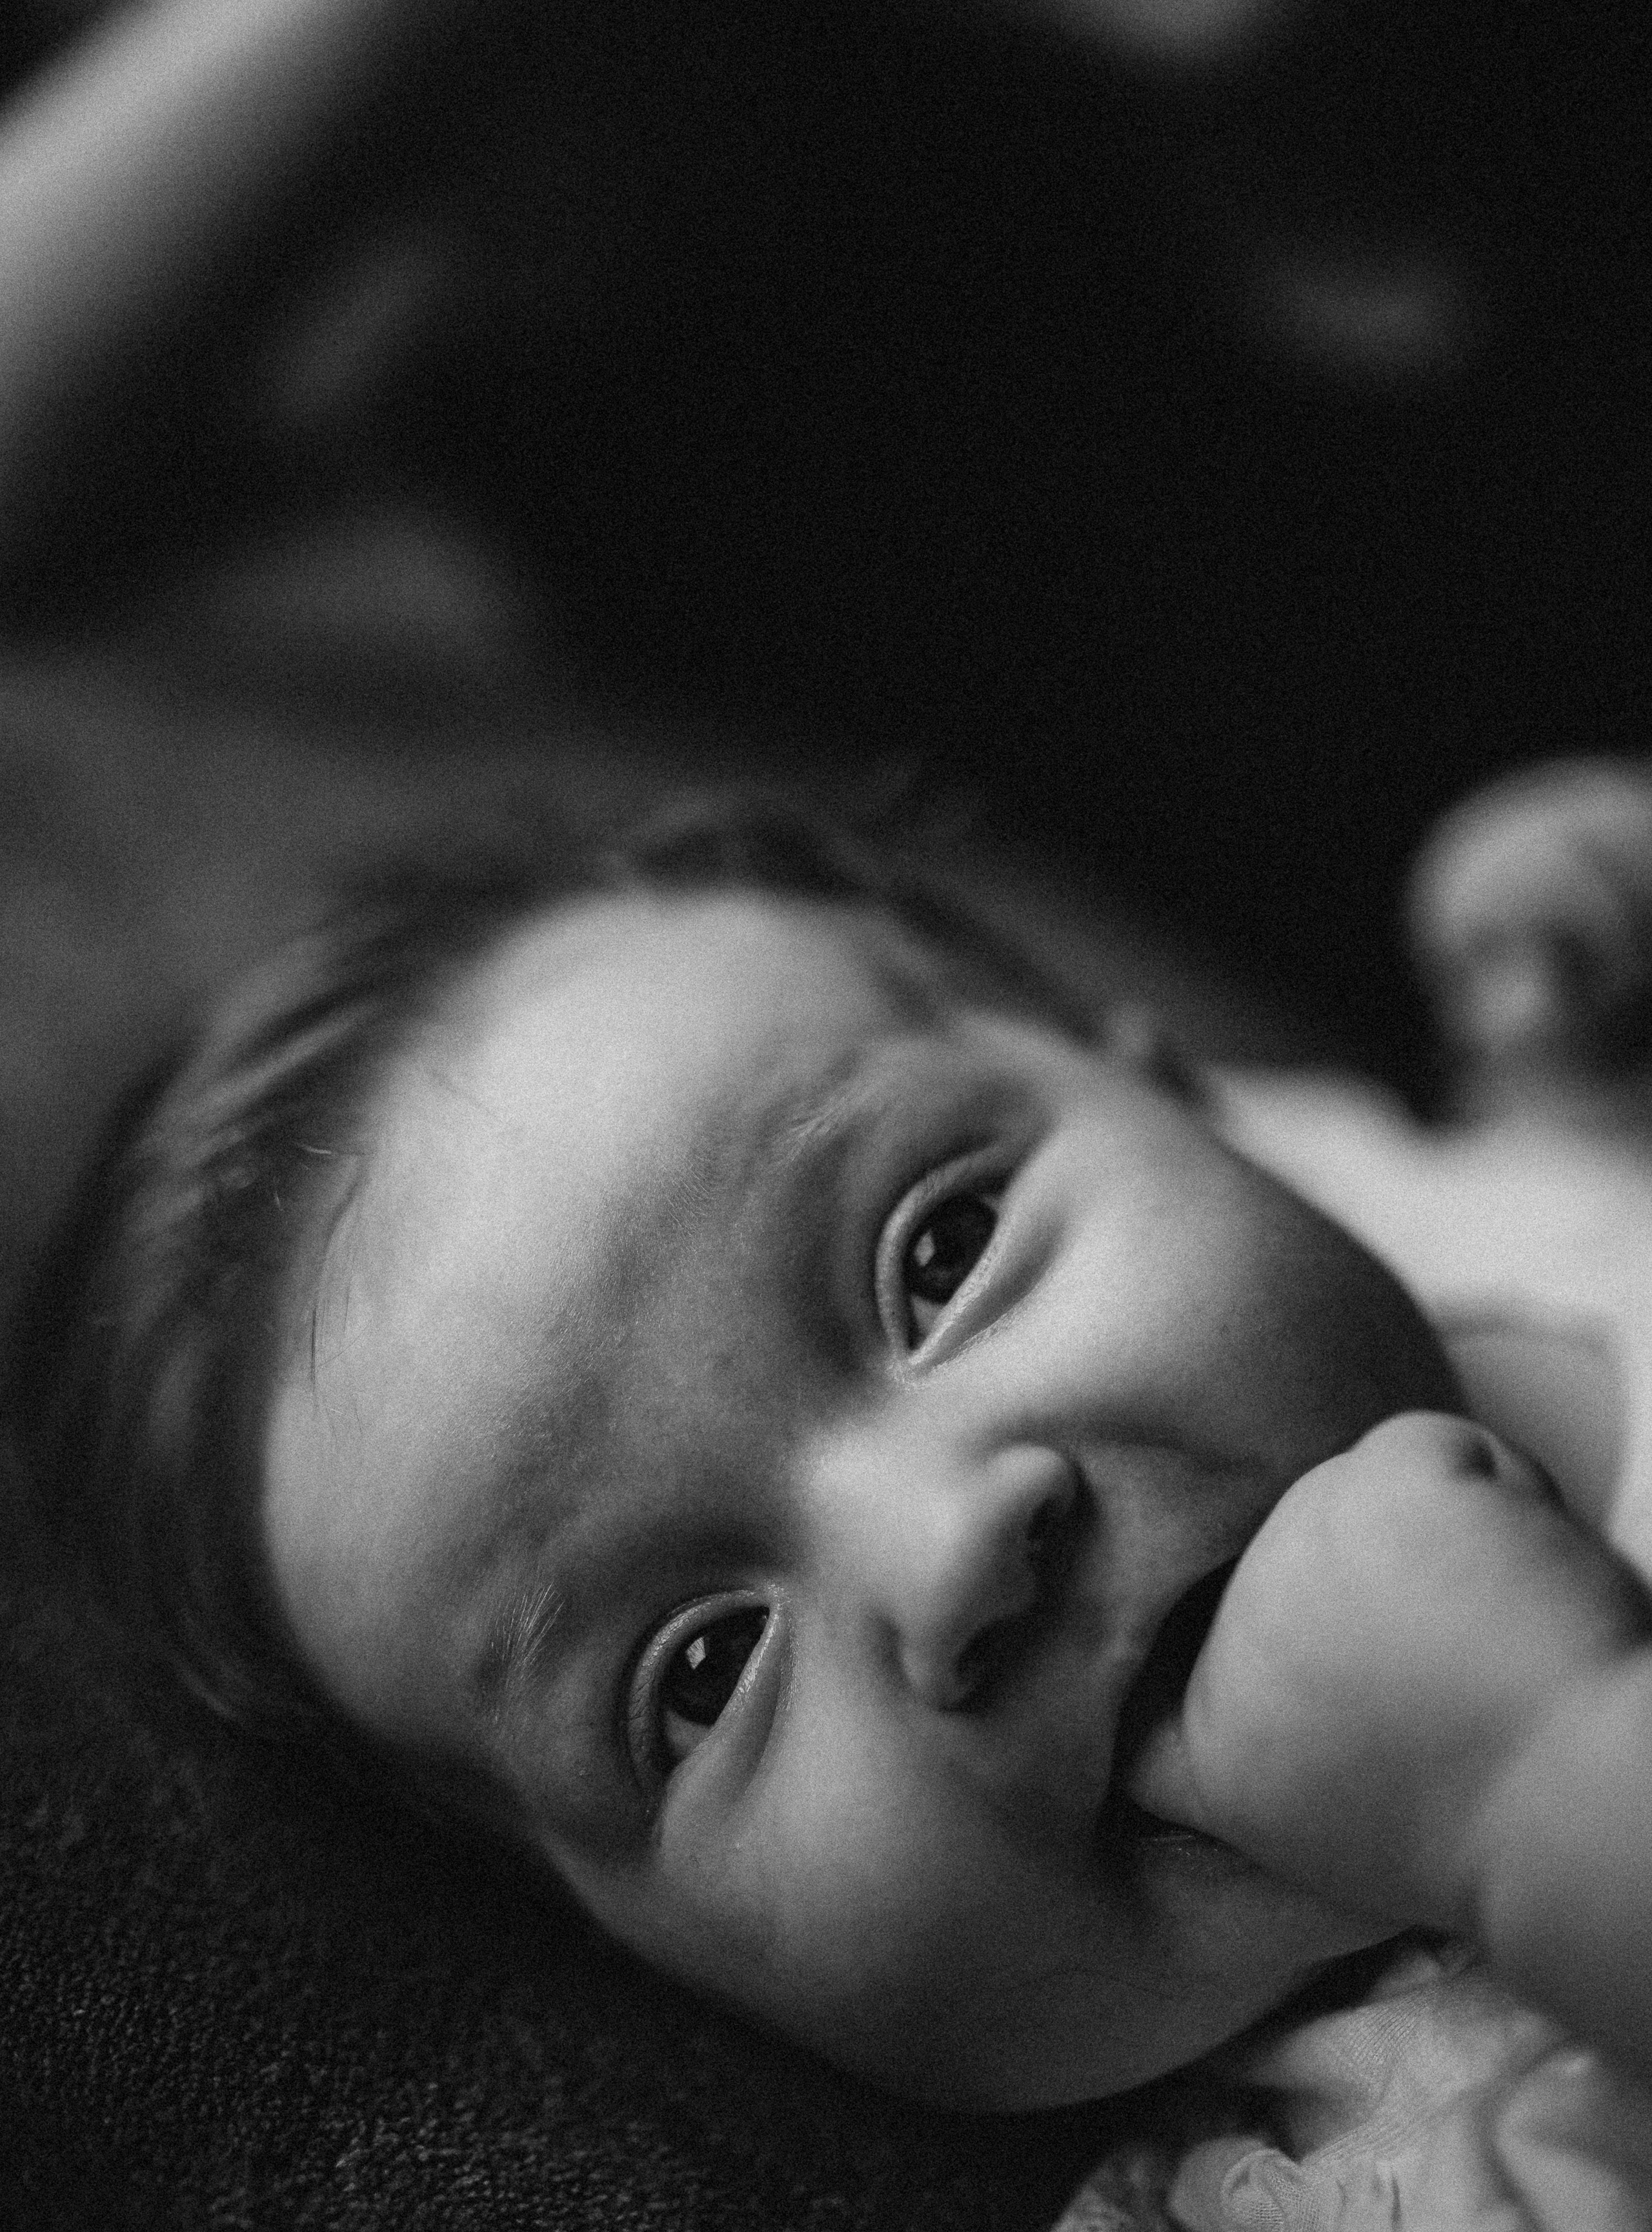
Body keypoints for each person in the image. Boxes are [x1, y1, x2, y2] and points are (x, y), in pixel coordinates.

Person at [15, 777, 1652, 2231]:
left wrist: (1577, 1073)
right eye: (701, 1673)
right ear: (655, 1971)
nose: (946, 1556)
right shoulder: (1339, 2174)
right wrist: (1532, 1788)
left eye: (937, 1258)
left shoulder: (1349, 1194)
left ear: (1172, 1089)